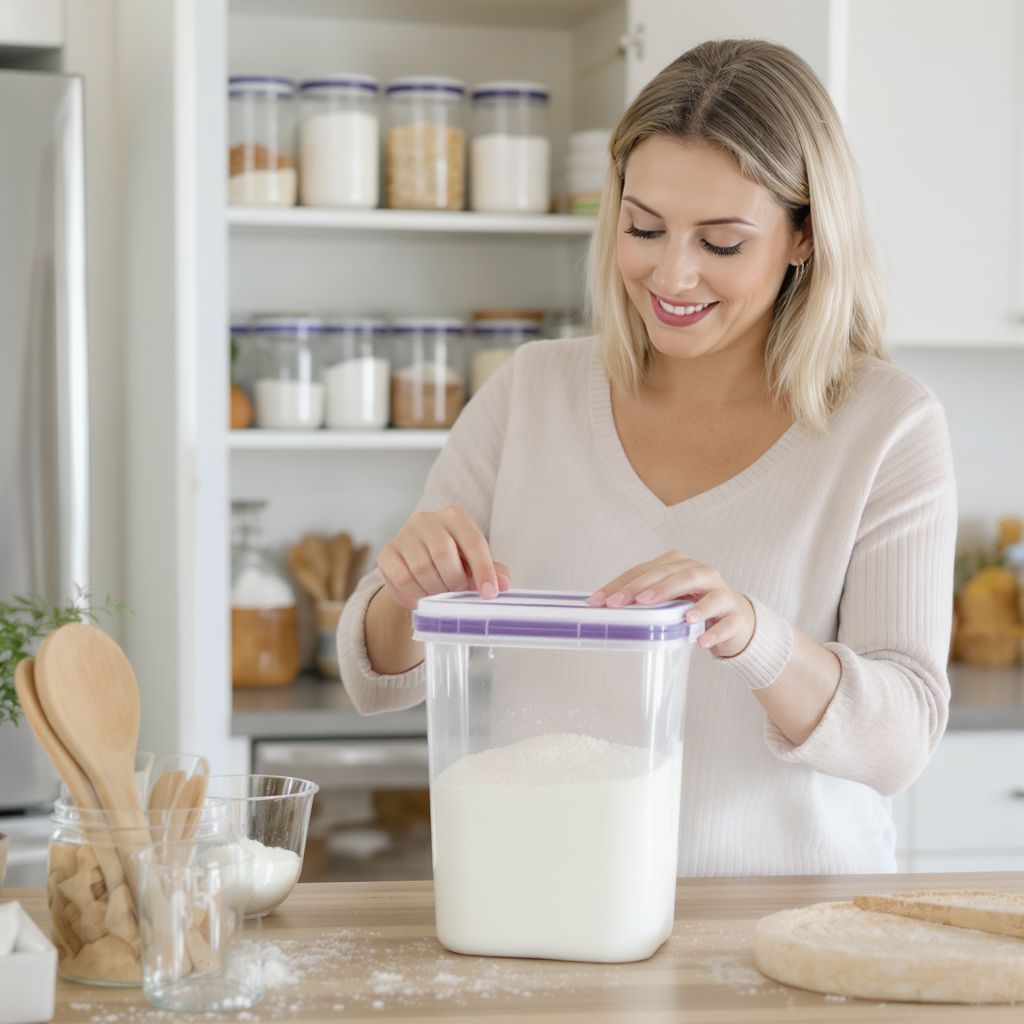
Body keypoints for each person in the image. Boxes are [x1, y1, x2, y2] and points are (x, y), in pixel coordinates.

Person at [337, 39, 957, 875]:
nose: (672, 274)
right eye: (644, 227)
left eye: (721, 243)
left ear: (804, 235)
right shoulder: (532, 392)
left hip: (784, 925)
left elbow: (903, 742)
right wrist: (408, 591)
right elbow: (376, 676)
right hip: (548, 902)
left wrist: (755, 637)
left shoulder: (888, 425)